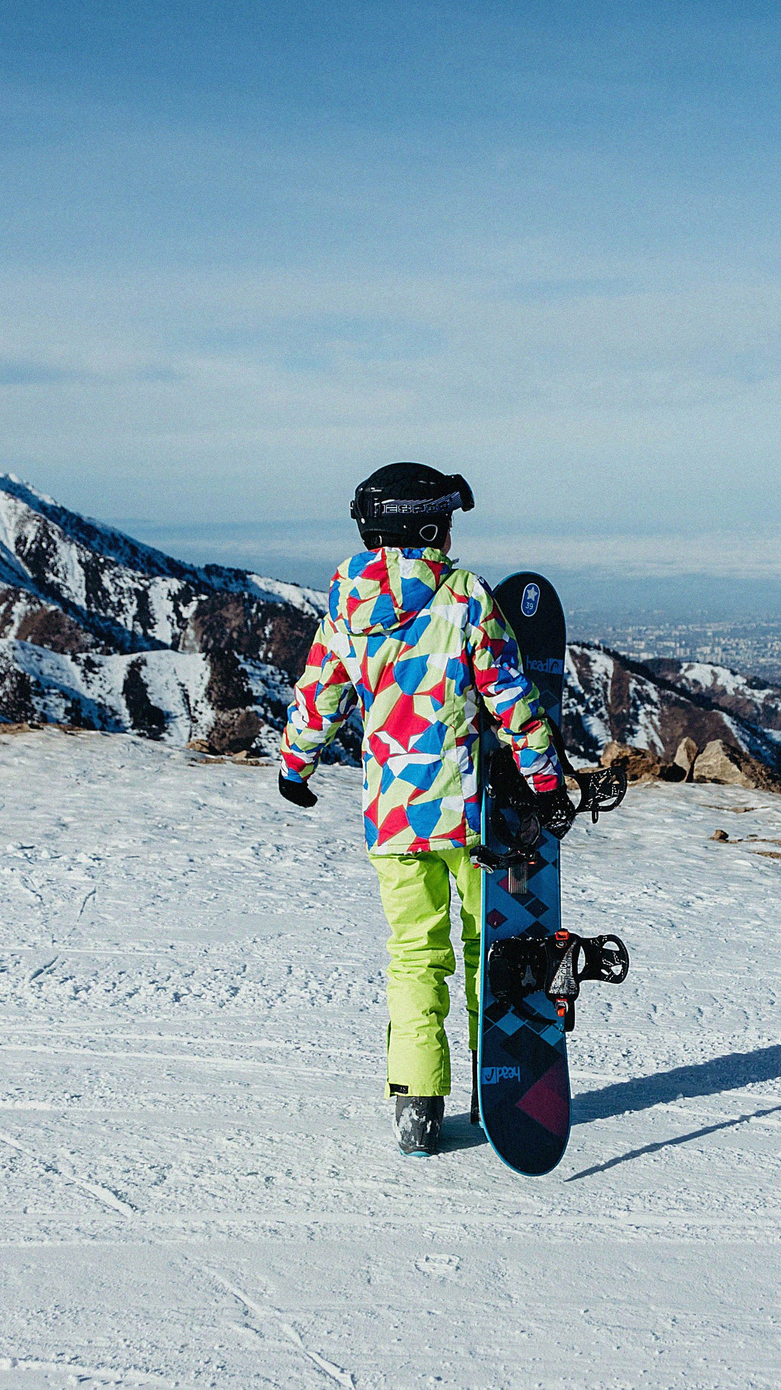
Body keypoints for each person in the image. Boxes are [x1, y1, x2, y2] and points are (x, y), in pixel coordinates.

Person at [276, 461, 564, 1156]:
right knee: (483, 953)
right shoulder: (465, 596)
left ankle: (416, 1105)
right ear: (431, 524)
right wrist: (543, 773)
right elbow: (510, 695)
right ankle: (489, 1090)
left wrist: (296, 764)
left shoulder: (346, 603)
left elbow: (319, 694)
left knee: (414, 958)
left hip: (392, 819)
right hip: (466, 819)